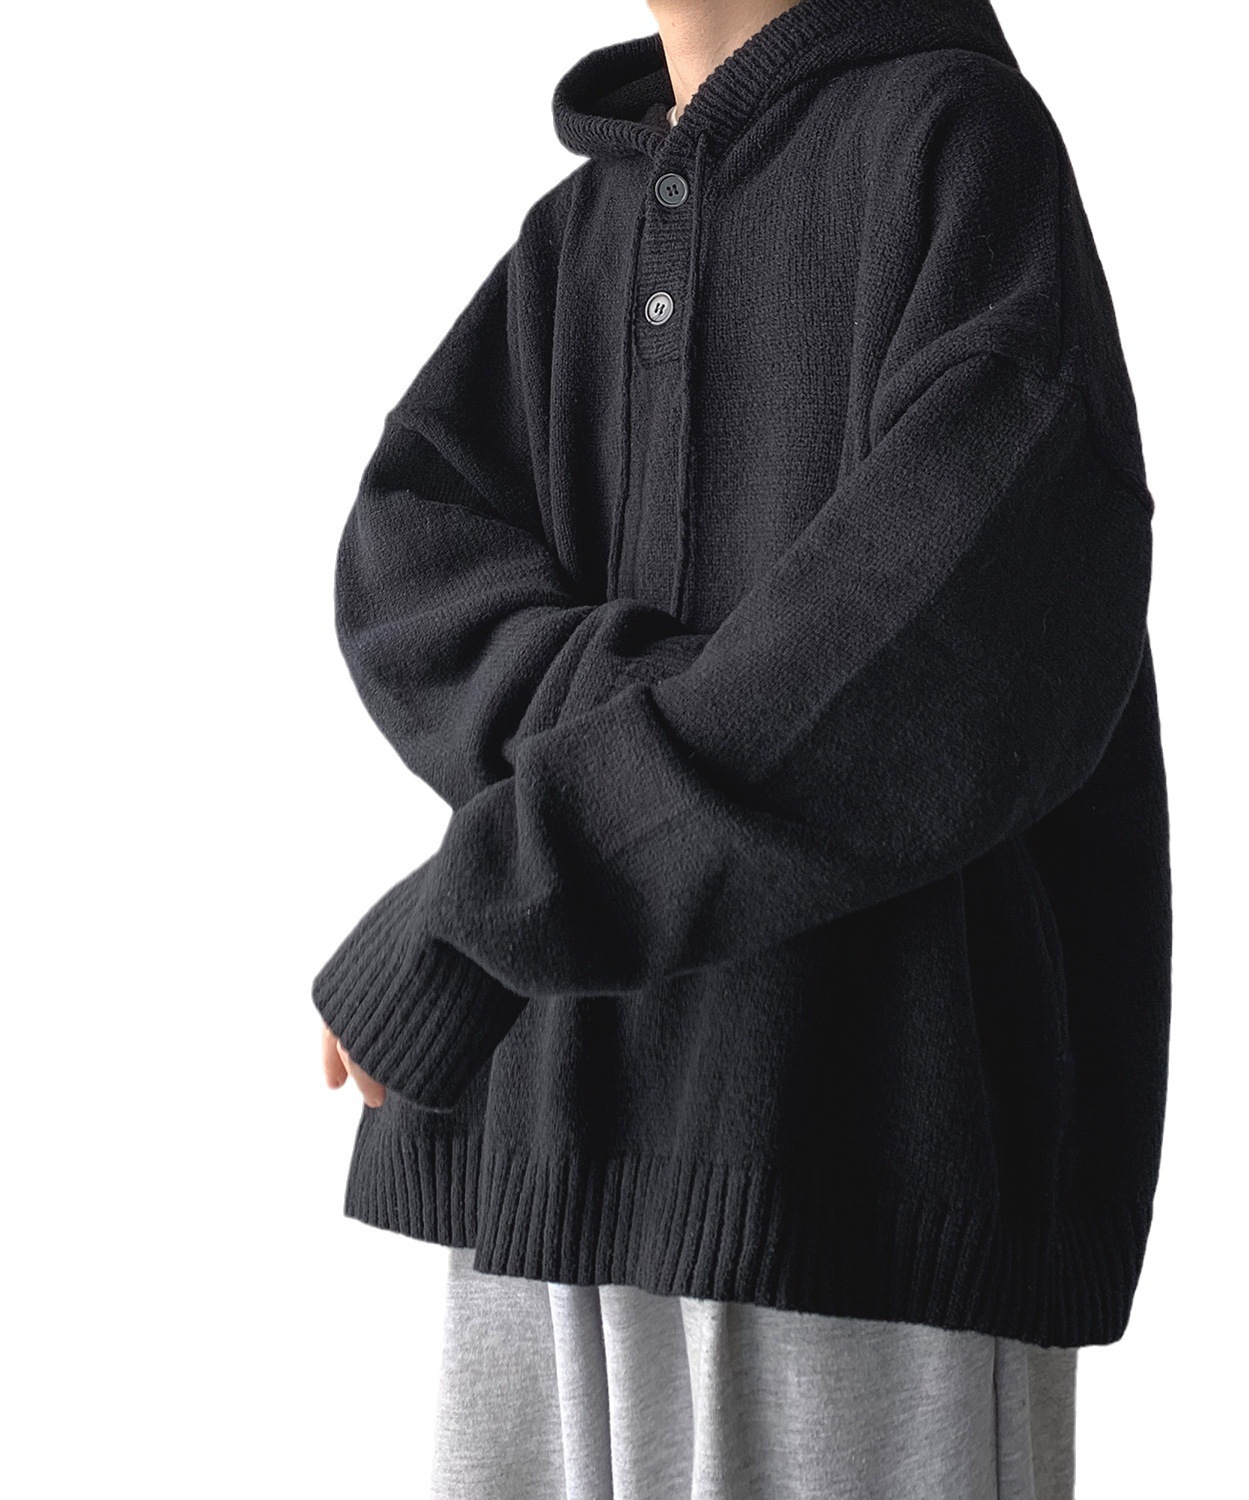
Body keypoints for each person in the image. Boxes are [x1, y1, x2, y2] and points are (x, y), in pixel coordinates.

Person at [315, 0, 1172, 1495]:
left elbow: (938, 659)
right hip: (534, 1177)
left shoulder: (960, 153)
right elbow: (401, 571)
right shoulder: (576, 232)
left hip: (859, 1183)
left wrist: (491, 900)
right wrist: (664, 730)